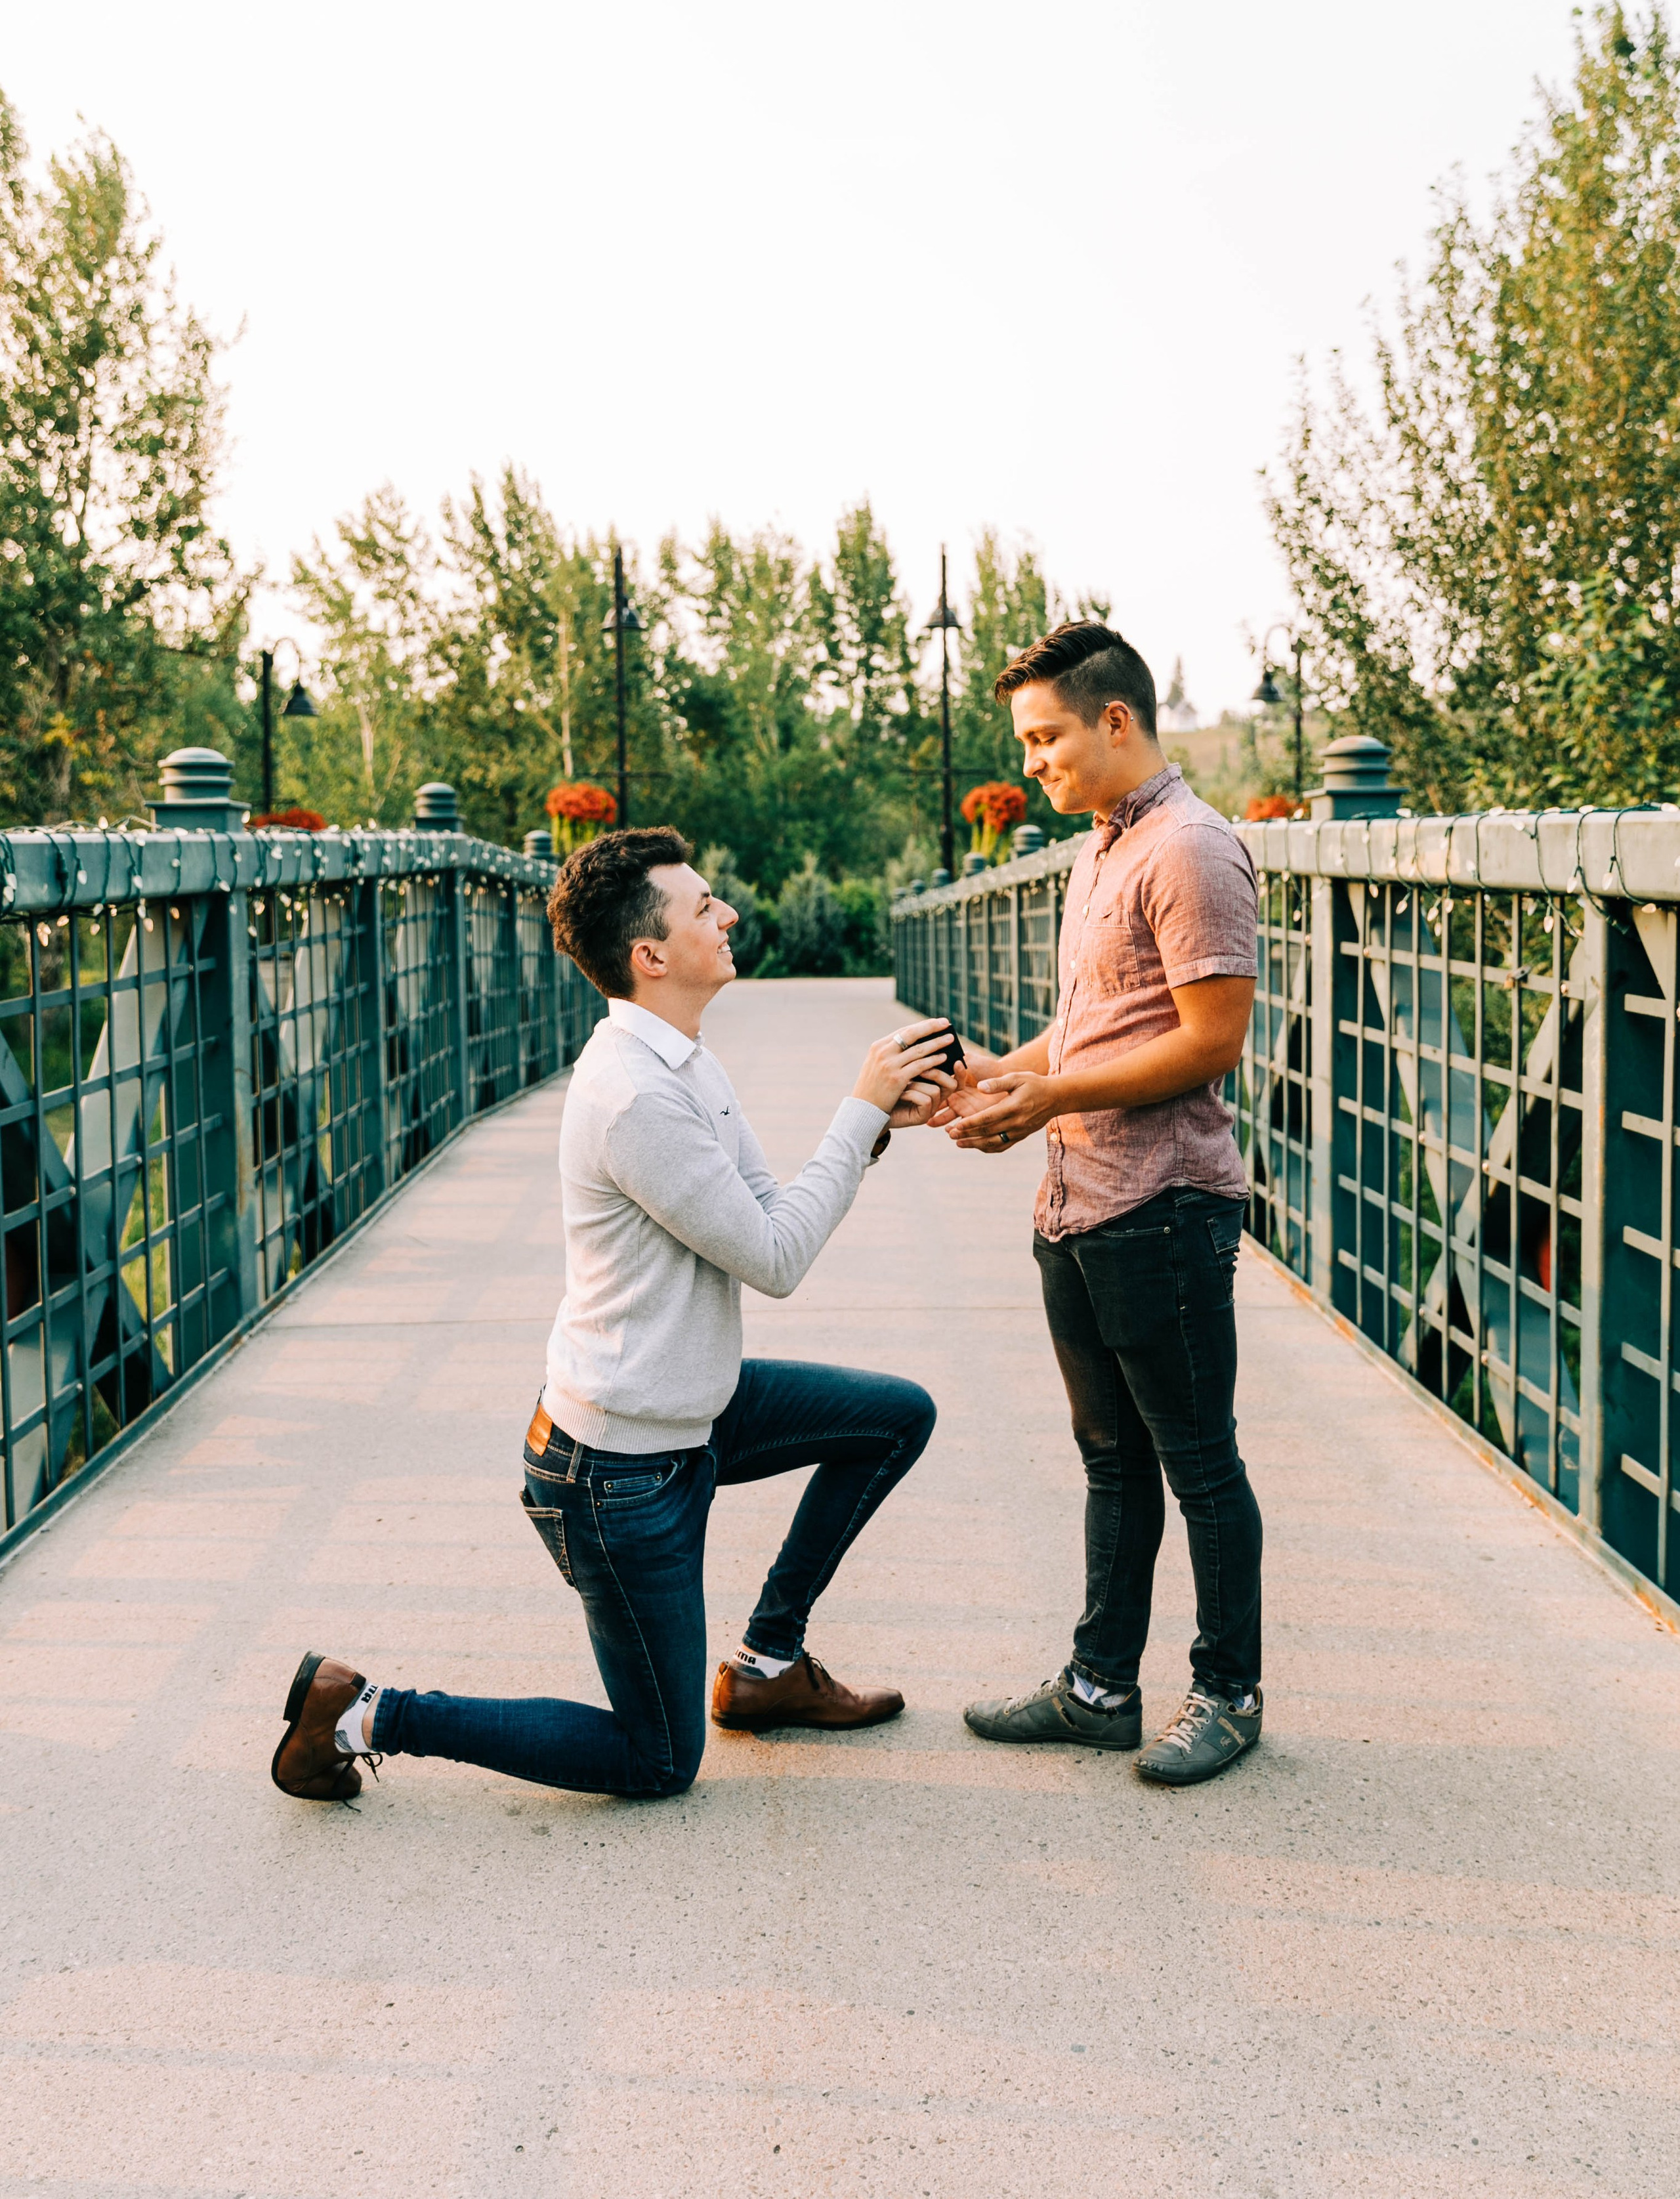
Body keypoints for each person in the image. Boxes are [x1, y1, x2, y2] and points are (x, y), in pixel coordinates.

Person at [272, 827, 954, 1804]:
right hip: (617, 1471)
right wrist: (857, 1110)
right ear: (651, 956)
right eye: (704, 907)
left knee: (896, 1416)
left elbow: (764, 1214)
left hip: (691, 1408)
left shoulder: (681, 1058)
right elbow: (776, 1262)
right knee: (659, 1759)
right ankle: (365, 1709)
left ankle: (766, 1663)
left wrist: (875, 1125)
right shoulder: (634, 1093)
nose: (727, 915)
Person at [937, 621, 1263, 1786]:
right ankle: (1098, 1688)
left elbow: (1211, 1042)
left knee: (1198, 1461)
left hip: (1163, 1205)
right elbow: (1093, 1029)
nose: (1033, 764)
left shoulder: (1190, 850)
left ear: (1113, 719)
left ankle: (1228, 1694)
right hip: (1077, 1201)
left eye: (1045, 736)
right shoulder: (1099, 850)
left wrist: (1050, 1093)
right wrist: (1000, 1077)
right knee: (1111, 1459)